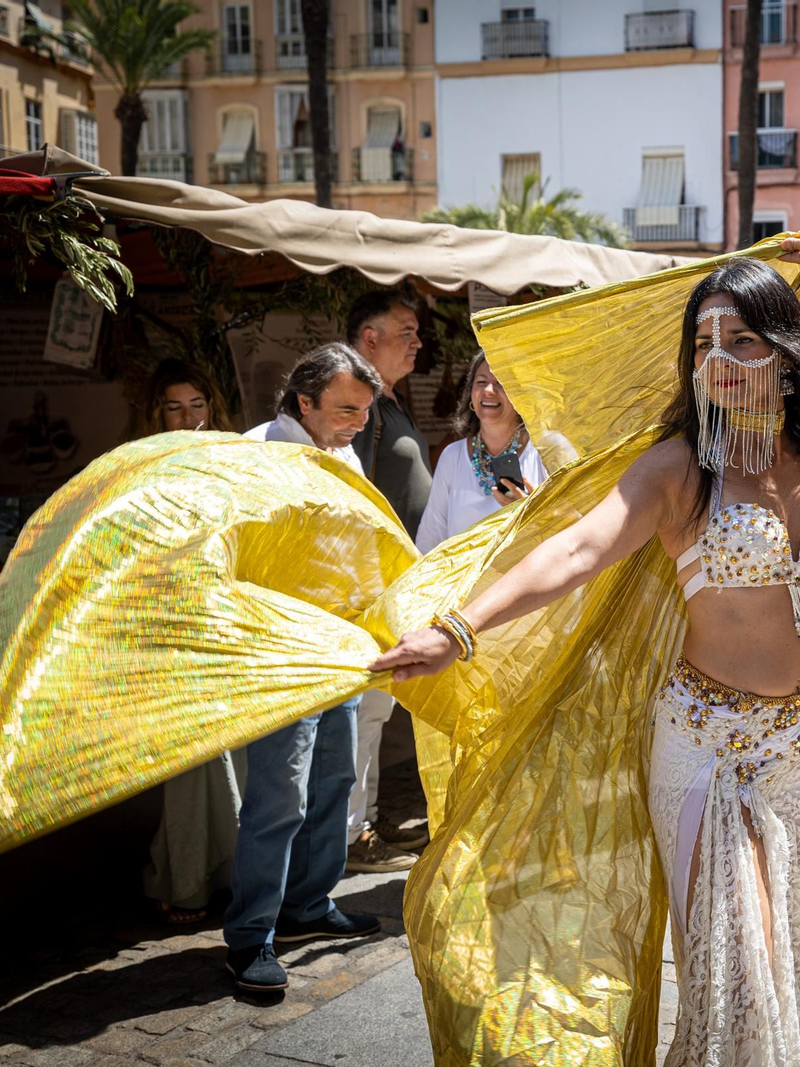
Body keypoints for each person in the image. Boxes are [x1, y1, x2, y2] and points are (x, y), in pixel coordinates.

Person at [372, 232, 800, 1061]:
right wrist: (460, 627)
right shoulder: (681, 468)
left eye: (742, 338)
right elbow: (577, 550)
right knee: (737, 973)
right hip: (710, 751)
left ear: (786, 346)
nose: (722, 358)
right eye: (705, 343)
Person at [229, 343, 386, 992]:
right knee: (278, 798)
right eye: (347, 409)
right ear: (304, 401)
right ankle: (250, 938)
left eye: (365, 412)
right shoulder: (258, 451)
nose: (358, 423)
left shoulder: (341, 450)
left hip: (341, 646)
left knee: (334, 781)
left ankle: (308, 904)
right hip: (282, 653)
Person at [136, 360, 244, 924]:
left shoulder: (229, 455)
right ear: (157, 413)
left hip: (225, 614)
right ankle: (181, 879)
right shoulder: (142, 466)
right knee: (188, 759)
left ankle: (228, 873)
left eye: (197, 404)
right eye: (175, 406)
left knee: (234, 751)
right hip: (172, 618)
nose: (188, 417)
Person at [346, 289, 432, 871]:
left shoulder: (390, 402)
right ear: (368, 338)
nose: (418, 341)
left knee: (374, 712)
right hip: (367, 584)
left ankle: (363, 825)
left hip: (393, 582)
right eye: (406, 331)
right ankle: (353, 836)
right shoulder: (358, 404)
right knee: (363, 712)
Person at [415, 352, 551, 553]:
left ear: (521, 394)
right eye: (481, 381)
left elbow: (574, 532)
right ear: (471, 393)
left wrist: (531, 515)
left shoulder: (545, 453)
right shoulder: (452, 457)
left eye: (501, 383)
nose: (489, 390)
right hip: (463, 583)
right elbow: (430, 539)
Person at [136, 359, 236, 436]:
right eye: (174, 408)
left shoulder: (231, 454)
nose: (187, 416)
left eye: (197, 405)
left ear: (211, 409)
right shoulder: (148, 460)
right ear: (159, 415)